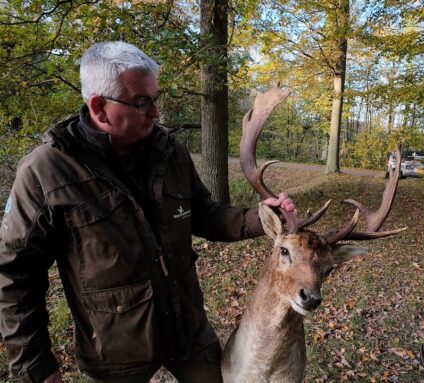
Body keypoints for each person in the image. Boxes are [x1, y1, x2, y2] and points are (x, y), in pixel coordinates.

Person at [0, 41, 294, 383]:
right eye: (142, 102)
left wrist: (258, 217)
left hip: (187, 330)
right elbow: (15, 274)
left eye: (156, 98)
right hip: (116, 352)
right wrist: (34, 364)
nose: (157, 113)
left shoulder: (169, 151)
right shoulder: (47, 172)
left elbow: (204, 214)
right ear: (99, 108)